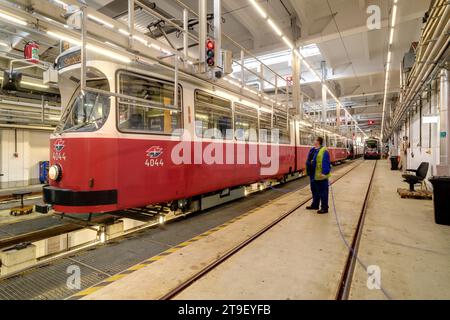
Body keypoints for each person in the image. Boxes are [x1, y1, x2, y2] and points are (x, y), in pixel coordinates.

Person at [306, 137, 331, 214]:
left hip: (320, 175)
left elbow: (326, 162)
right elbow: (309, 160)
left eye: (314, 140)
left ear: (318, 142)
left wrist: (325, 173)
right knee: (314, 190)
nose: (313, 141)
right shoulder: (313, 150)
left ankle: (324, 207)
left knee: (323, 192)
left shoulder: (324, 151)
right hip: (313, 174)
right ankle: (315, 204)